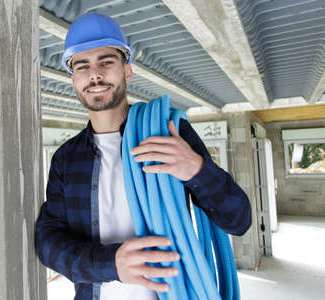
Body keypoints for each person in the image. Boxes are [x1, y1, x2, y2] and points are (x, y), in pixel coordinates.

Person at [35, 13, 251, 300]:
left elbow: (239, 220)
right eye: (82, 65)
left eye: (106, 62)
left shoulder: (168, 132)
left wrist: (197, 170)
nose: (95, 74)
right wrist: (110, 264)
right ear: (74, 79)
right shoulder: (66, 158)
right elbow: (48, 241)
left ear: (127, 71)